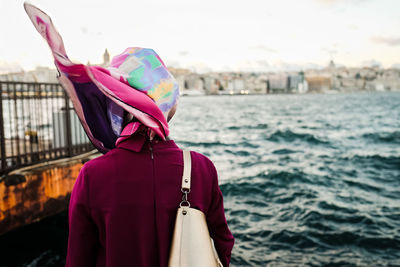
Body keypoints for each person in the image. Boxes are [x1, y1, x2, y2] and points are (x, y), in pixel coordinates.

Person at [24, 3, 234, 267]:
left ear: (116, 104)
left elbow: (78, 259)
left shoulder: (92, 176)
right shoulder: (202, 168)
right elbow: (222, 245)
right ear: (168, 105)